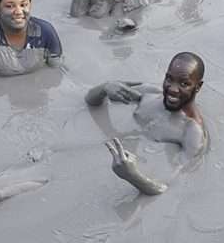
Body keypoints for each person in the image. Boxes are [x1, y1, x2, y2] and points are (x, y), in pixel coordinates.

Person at [85, 52, 206, 196]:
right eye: (169, 79)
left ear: (198, 87)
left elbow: (166, 188)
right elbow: (90, 100)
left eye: (184, 83)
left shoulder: (192, 132)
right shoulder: (148, 94)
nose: (173, 89)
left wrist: (131, 176)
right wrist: (105, 87)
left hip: (124, 174)